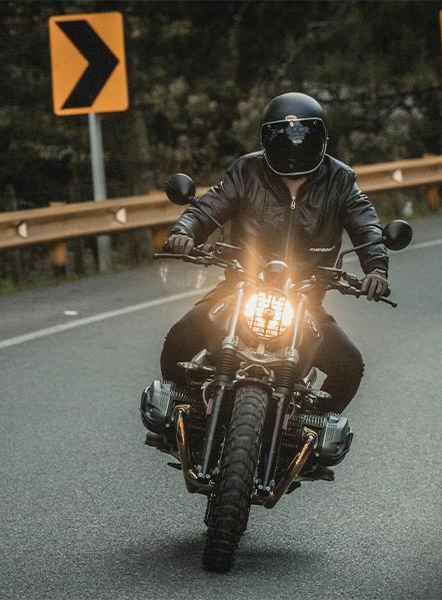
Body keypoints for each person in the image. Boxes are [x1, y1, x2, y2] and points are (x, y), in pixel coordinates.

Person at [160, 92, 389, 413]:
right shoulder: (247, 171)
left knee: (349, 365)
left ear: (321, 138)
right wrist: (185, 231)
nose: (294, 145)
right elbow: (210, 206)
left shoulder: (339, 179)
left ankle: (308, 432)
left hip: (305, 298)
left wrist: (376, 268)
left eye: (303, 136)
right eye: (283, 136)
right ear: (267, 139)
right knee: (178, 341)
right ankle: (187, 413)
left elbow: (366, 223)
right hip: (240, 287)